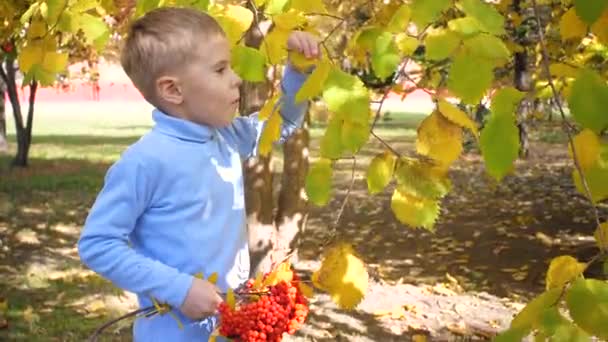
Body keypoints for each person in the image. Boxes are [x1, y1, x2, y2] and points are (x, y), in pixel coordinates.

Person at [77, 6, 320, 341]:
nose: (236, 78)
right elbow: (97, 244)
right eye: (220, 69)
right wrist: (178, 289)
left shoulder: (226, 135)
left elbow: (283, 125)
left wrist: (297, 74)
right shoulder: (145, 162)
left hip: (229, 326)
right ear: (173, 90)